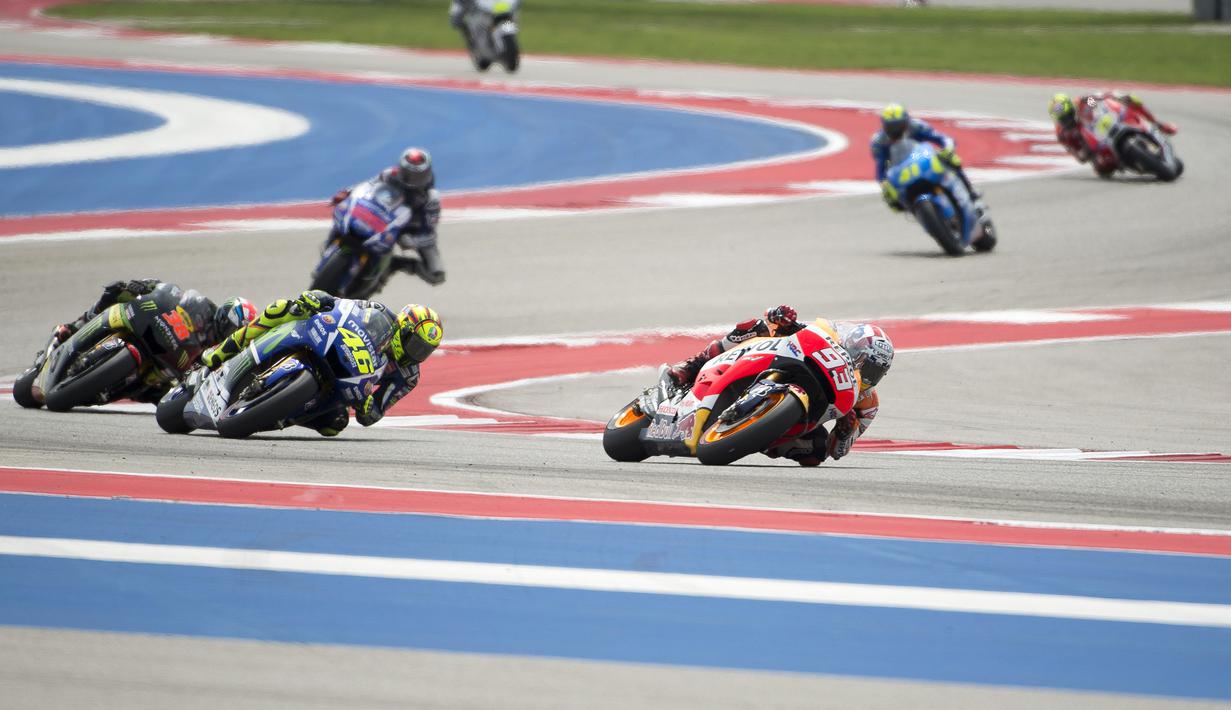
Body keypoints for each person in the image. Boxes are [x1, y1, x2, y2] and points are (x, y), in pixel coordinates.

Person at [666, 305, 893, 467]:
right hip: (778, 358)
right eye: (863, 362)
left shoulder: (867, 404)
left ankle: (759, 434)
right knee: (756, 327)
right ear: (852, 347)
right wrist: (783, 319)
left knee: (817, 452)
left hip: (800, 417)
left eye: (875, 371)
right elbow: (778, 320)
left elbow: (838, 452)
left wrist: (844, 431)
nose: (867, 374)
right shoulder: (829, 337)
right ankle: (693, 365)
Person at [201, 290, 443, 437]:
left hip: (345, 385)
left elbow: (373, 415)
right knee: (283, 308)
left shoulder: (409, 376)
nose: (417, 353)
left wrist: (368, 403)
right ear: (403, 330)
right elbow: (344, 307)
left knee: (335, 424)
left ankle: (270, 416)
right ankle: (221, 353)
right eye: (415, 344)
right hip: (333, 345)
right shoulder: (379, 315)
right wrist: (320, 298)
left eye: (424, 351)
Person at [328, 147, 446, 292]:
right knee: (346, 214)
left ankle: (395, 265)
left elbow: (429, 232)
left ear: (426, 173)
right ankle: (331, 246)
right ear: (401, 169)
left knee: (436, 274)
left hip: (409, 229)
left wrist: (413, 241)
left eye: (417, 175)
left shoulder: (430, 198)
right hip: (383, 216)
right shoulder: (390, 174)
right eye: (408, 174)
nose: (412, 179)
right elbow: (367, 186)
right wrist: (347, 192)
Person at [54, 279, 254, 348]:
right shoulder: (204, 307)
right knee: (118, 292)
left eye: (235, 333)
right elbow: (172, 294)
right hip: (160, 329)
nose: (231, 334)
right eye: (232, 329)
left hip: (170, 367)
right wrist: (147, 286)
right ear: (223, 316)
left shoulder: (224, 352)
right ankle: (75, 326)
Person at [872, 103, 981, 213]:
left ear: (906, 122)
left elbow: (942, 138)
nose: (896, 130)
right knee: (889, 195)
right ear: (884, 126)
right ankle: (915, 209)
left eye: (898, 125)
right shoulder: (879, 142)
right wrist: (885, 184)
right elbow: (880, 169)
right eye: (891, 127)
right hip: (901, 170)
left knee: (952, 159)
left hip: (921, 157)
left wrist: (948, 148)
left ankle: (971, 193)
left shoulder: (916, 126)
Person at [1048, 92, 1177, 177]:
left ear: (1072, 107)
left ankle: (1158, 124)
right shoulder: (1063, 134)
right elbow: (1078, 156)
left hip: (1104, 127)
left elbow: (1098, 101)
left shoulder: (1083, 102)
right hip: (1094, 147)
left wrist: (1113, 98)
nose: (1067, 121)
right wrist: (1085, 153)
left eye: (1068, 115)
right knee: (1103, 169)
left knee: (1131, 98)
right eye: (1062, 119)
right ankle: (1128, 162)